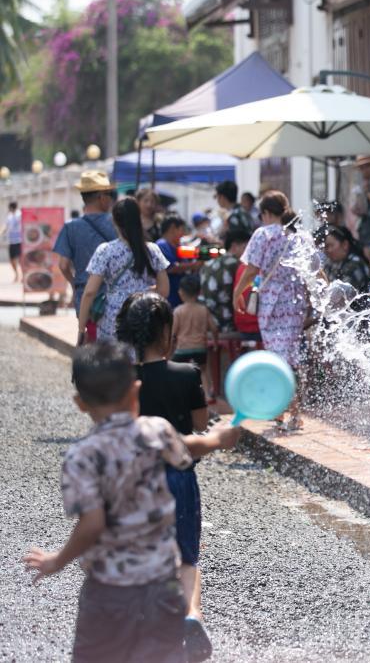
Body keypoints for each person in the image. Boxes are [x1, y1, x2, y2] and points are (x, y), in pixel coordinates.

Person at [21, 340, 241, 663]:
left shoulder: (81, 457)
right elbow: (187, 445)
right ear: (135, 390)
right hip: (162, 587)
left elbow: (92, 524)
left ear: (80, 403)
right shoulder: (157, 431)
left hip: (108, 591)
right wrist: (218, 439)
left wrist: (59, 560)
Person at [113, 292, 215, 660]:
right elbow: (200, 426)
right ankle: (191, 615)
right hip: (178, 478)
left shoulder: (121, 381)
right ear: (167, 332)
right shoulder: (187, 374)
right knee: (186, 557)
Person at [233, 191, 316, 429]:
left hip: (272, 303)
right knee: (290, 356)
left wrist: (238, 292)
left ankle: (282, 410)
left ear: (266, 213)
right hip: (296, 302)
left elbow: (251, 270)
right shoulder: (299, 236)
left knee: (277, 356)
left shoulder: (263, 234)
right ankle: (293, 412)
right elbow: (313, 270)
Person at [79, 198, 170, 343]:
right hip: (145, 312)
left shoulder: (106, 250)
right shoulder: (153, 250)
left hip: (113, 316)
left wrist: (81, 329)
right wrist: (143, 290)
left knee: (114, 355)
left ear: (114, 220)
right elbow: (164, 290)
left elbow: (90, 292)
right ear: (138, 219)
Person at [54, 171, 117, 341]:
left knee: (90, 341)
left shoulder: (70, 227)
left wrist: (74, 283)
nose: (111, 199)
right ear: (102, 197)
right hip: (114, 293)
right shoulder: (117, 223)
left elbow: (63, 265)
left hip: (85, 296)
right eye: (109, 194)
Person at [172, 275, 218, 400]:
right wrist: (215, 343)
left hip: (182, 349)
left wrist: (170, 348)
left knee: (178, 372)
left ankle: (180, 395)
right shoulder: (203, 310)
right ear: (199, 292)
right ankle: (207, 395)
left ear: (181, 292)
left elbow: (173, 333)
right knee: (203, 371)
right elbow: (214, 328)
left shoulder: (178, 311)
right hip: (200, 348)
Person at [200, 229, 250, 332]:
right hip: (227, 321)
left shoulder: (209, 263)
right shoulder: (236, 264)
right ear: (234, 246)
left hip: (208, 319)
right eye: (246, 248)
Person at [157, 215, 201, 308]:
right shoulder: (161, 244)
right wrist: (194, 265)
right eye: (182, 229)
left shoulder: (177, 245)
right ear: (173, 228)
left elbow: (195, 253)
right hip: (170, 295)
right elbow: (171, 268)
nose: (183, 234)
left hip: (180, 295)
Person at [322, 226, 370, 292]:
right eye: (326, 247)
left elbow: (342, 293)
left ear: (345, 244)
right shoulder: (329, 263)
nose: (329, 250)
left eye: (331, 245)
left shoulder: (355, 265)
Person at [3, 201, 21, 282]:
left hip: (20, 240)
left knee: (21, 259)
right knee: (12, 260)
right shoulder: (9, 216)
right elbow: (5, 226)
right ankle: (16, 274)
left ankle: (22, 276)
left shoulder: (20, 215)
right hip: (12, 241)